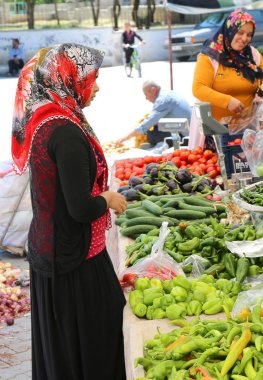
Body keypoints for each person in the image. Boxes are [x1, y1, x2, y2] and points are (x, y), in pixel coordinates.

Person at [11, 43, 127, 380]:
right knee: (95, 339)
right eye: (92, 78)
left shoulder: (45, 121)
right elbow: (80, 208)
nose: (97, 86)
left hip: (51, 254)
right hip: (73, 260)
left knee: (61, 351)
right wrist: (108, 199)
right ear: (68, 79)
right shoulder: (67, 133)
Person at [191, 9, 263, 149]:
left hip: (247, 131)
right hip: (215, 132)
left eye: (249, 35)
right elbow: (198, 88)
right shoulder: (210, 56)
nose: (244, 38)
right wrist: (227, 101)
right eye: (240, 32)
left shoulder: (252, 55)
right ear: (230, 29)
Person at [117, 80, 192, 147]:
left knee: (151, 134)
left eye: (146, 94)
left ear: (153, 90)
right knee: (156, 128)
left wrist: (126, 137)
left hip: (185, 135)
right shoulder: (167, 93)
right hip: (188, 127)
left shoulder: (162, 100)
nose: (146, 98)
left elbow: (146, 124)